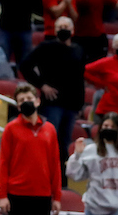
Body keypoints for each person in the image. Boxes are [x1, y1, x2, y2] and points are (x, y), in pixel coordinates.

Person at [0, 82, 62, 215]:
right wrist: (3, 195)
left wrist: (57, 197)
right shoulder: (10, 129)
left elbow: (55, 164)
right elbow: (4, 163)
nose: (26, 102)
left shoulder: (50, 130)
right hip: (16, 195)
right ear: (18, 106)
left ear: (37, 101)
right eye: (21, 100)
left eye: (29, 98)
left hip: (42, 196)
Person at [20, 15, 84, 158]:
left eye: (66, 27)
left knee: (64, 143)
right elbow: (25, 65)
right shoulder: (46, 47)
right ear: (55, 31)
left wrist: (79, 105)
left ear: (72, 30)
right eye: (60, 27)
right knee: (49, 139)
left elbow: (79, 79)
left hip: (71, 105)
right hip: (52, 104)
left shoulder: (78, 50)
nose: (63, 30)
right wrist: (42, 85)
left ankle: (61, 176)